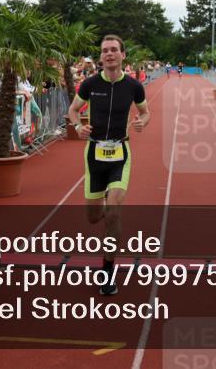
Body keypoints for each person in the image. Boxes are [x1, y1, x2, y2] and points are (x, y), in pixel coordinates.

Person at [66, 35, 150, 296]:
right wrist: (78, 126)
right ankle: (106, 212)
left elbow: (146, 112)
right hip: (94, 154)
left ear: (123, 55)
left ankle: (108, 271)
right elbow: (72, 110)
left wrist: (142, 122)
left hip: (120, 152)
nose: (109, 54)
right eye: (105, 51)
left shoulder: (134, 86)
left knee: (113, 209)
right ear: (101, 57)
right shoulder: (90, 84)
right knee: (93, 218)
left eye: (114, 50)